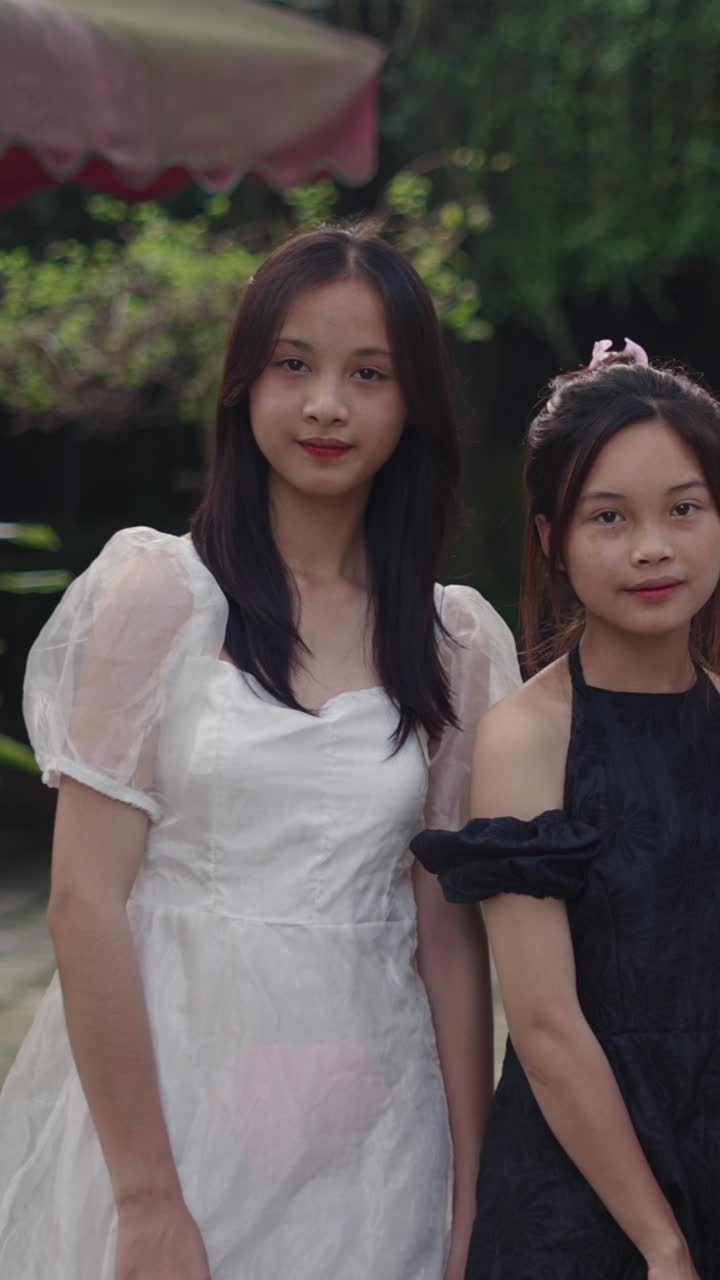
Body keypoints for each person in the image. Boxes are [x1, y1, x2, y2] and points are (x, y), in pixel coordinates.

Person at [0, 226, 520, 1280]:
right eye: (294, 364)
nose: (326, 403)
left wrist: (473, 1192)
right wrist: (146, 1199)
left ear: (411, 401)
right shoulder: (161, 597)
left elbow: (448, 937)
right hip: (170, 1110)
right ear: (244, 385)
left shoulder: (453, 642)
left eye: (367, 373)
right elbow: (84, 901)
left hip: (376, 1128)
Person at [413, 339, 720, 1280]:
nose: (652, 548)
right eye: (608, 518)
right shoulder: (526, 736)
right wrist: (663, 1246)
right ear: (551, 537)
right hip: (582, 1198)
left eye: (684, 509)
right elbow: (543, 1024)